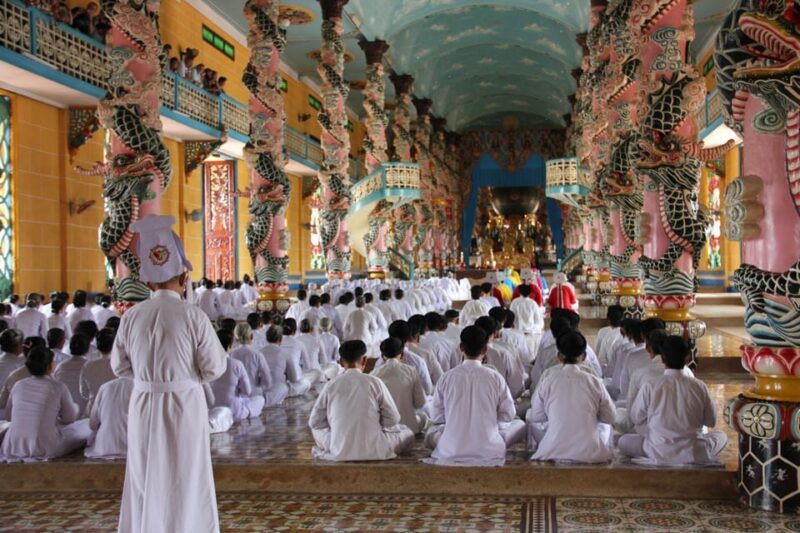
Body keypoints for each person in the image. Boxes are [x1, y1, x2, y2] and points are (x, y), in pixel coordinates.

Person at [111, 215, 227, 533]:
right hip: (184, 403)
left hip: (143, 403)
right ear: (184, 276)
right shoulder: (193, 316)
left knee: (144, 473)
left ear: (148, 283)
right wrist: (187, 378)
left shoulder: (131, 317)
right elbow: (215, 367)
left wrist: (149, 379)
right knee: (186, 475)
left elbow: (119, 367)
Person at [424, 326, 526, 466]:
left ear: (461, 347)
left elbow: (437, 417)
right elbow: (508, 414)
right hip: (490, 450)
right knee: (519, 424)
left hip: (451, 450)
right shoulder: (495, 377)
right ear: (485, 349)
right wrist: (490, 423)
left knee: (432, 432)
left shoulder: (446, 377)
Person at [619, 336, 728, 466]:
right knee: (721, 437)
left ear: (663, 358)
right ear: (687, 357)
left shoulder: (651, 385)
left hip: (658, 449)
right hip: (693, 451)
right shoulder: (699, 386)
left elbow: (636, 417)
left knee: (623, 441)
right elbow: (711, 421)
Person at [309, 340, 414, 461]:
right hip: (375, 449)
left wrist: (336, 427)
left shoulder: (330, 385)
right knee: (408, 433)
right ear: (364, 360)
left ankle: (337, 443)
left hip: (340, 450)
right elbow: (393, 419)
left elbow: (315, 423)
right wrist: (378, 425)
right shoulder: (374, 382)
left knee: (316, 431)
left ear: (341, 362)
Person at [527, 331, 615, 463]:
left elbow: (536, 417)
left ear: (559, 356)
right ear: (584, 356)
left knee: (531, 420)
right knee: (606, 427)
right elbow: (610, 417)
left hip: (553, 448)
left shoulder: (548, 379)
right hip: (591, 450)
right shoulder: (594, 380)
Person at [0, 346, 91, 461]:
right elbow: (69, 419)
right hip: (46, 446)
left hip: (13, 445)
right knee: (85, 426)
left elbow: (9, 417)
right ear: (49, 366)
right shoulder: (57, 386)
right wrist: (75, 408)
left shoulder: (18, 385)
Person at [372, 337, 428, 434]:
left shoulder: (374, 374)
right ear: (402, 354)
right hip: (409, 429)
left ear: (382, 356)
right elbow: (420, 402)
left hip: (383, 430)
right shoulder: (411, 371)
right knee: (423, 416)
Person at [210, 329, 264, 421]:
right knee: (260, 399)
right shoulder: (236, 364)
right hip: (234, 411)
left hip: (213, 409)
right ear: (230, 346)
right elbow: (247, 391)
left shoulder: (209, 364)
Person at [85, 373, 133, 459]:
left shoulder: (105, 387)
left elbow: (92, 425)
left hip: (104, 447)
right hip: (132, 448)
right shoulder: (140, 388)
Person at [261, 326, 309, 404]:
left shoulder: (259, 352)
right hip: (279, 390)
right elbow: (293, 379)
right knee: (305, 383)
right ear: (280, 339)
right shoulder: (284, 354)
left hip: (262, 390)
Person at [231, 323, 272, 401]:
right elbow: (267, 379)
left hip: (236, 396)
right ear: (251, 336)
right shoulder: (257, 354)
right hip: (254, 395)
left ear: (235, 338)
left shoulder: (231, 354)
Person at [79, 327, 117, 413]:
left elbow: (84, 393)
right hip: (115, 411)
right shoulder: (120, 366)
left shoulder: (88, 365)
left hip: (93, 411)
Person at [54, 333, 91, 416]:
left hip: (64, 414)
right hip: (85, 415)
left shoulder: (61, 366)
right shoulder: (90, 366)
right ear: (87, 349)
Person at [509, 284, 544, 356]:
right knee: (530, 354)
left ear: (519, 292)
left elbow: (511, 317)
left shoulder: (515, 302)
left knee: (517, 355)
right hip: (530, 333)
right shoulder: (533, 303)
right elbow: (538, 320)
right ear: (530, 293)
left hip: (517, 333)